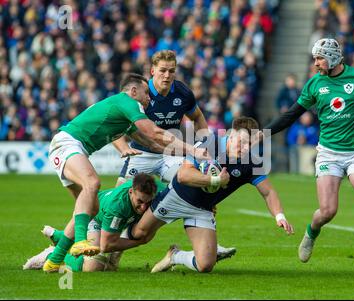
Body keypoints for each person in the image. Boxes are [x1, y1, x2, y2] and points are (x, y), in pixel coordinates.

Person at [43, 73, 209, 273]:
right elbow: (154, 132)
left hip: (69, 146)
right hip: (68, 143)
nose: (149, 97)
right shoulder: (128, 103)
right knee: (92, 183)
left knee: (89, 209)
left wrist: (184, 152)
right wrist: (192, 150)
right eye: (146, 93)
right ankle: (79, 241)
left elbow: (152, 143)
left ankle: (54, 260)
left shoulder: (124, 114)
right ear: (133, 91)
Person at [263, 38, 354, 278]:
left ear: (333, 58)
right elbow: (291, 115)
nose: (315, 63)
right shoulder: (314, 84)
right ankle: (311, 232)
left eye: (319, 58)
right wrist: (263, 134)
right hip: (329, 153)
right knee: (327, 211)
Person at [129, 117, 294, 273]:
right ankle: (105, 248)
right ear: (230, 135)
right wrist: (215, 180)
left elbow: (268, 192)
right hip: (176, 197)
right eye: (241, 142)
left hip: (202, 209)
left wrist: (280, 216)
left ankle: (175, 256)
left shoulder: (251, 162)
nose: (244, 148)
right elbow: (183, 176)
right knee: (139, 234)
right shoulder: (210, 143)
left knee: (206, 265)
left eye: (249, 144)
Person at [112, 50, 235, 259]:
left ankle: (209, 244)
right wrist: (123, 148)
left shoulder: (183, 93)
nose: (167, 75)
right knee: (121, 196)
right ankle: (111, 250)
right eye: (162, 71)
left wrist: (206, 146)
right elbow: (115, 127)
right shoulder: (139, 94)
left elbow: (197, 117)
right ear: (152, 71)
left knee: (198, 182)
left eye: (171, 71)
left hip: (171, 153)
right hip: (141, 153)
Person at [24, 173, 166, 272]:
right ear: (131, 192)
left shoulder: (157, 188)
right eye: (140, 202)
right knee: (92, 268)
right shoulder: (117, 207)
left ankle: (60, 236)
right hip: (93, 215)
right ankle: (51, 254)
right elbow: (106, 245)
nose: (143, 208)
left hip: (108, 214)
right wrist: (140, 242)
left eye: (148, 203)